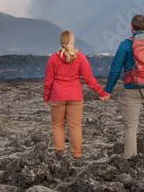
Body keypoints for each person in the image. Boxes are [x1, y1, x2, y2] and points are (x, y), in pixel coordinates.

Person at [103, 14, 144, 160]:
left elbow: (115, 69)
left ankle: (130, 158)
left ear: (131, 27)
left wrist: (107, 90)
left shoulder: (125, 45)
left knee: (131, 127)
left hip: (132, 91)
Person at [43, 30, 110, 161]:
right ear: (73, 41)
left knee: (57, 125)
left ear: (61, 42)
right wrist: (101, 93)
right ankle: (77, 156)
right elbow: (88, 78)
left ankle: (59, 153)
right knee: (75, 126)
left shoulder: (53, 59)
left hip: (57, 97)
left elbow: (48, 81)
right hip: (75, 97)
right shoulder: (80, 58)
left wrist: (46, 97)